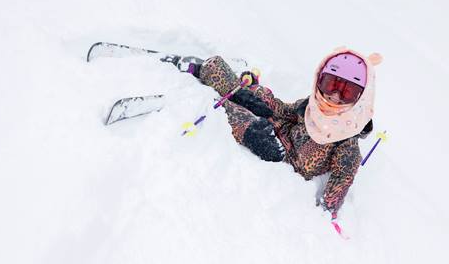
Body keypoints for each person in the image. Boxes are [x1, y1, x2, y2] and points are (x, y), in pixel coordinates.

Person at [163, 46, 383, 215]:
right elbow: (284, 110)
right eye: (330, 84)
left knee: (234, 113)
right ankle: (207, 69)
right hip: (278, 126)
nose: (334, 96)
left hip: (279, 153)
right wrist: (258, 94)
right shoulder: (313, 104)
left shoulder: (347, 145)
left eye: (347, 91)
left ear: (361, 97)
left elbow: (334, 196)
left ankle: (190, 100)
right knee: (246, 94)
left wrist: (328, 211)